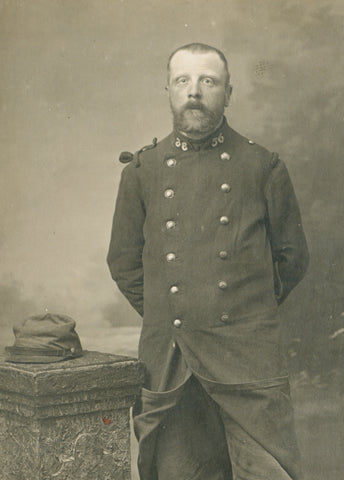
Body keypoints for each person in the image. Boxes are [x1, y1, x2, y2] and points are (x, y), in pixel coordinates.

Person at [107, 42, 310, 480]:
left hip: (248, 360)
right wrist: (175, 311)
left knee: (267, 474)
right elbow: (124, 265)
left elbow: (292, 259)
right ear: (169, 91)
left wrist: (242, 311)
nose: (194, 91)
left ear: (228, 93)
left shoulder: (263, 167)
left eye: (208, 81)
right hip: (172, 360)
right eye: (183, 81)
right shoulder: (141, 172)